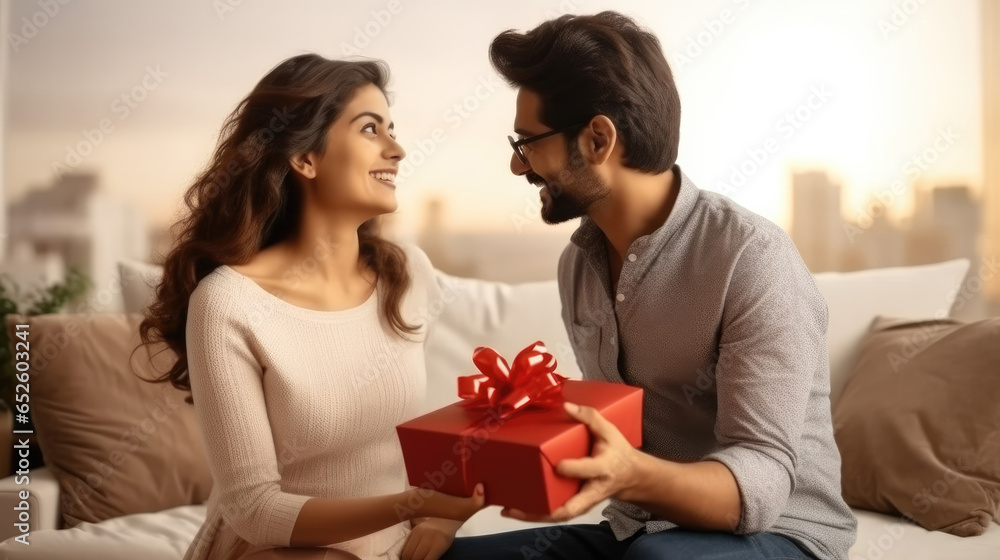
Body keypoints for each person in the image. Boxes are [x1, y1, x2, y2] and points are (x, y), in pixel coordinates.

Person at [441, 11, 857, 560]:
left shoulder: (750, 258)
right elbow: (615, 438)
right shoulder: (578, 266)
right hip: (639, 528)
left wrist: (627, 474)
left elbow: (762, 480)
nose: (519, 167)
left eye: (528, 143)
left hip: (783, 532)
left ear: (597, 139)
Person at [138, 53, 485, 560]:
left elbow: (424, 442)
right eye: (371, 129)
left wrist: (436, 520)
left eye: (393, 129)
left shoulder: (407, 275)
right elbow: (253, 509)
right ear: (305, 158)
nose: (398, 149)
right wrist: (410, 506)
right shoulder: (227, 304)